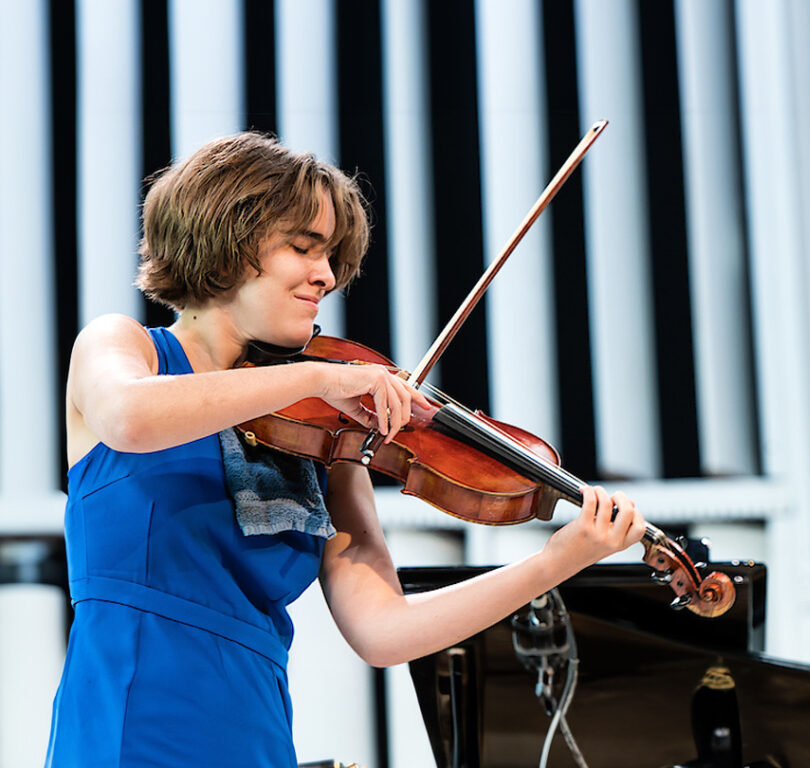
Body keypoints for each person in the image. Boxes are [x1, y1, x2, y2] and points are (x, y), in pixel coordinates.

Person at [45, 132, 645, 767]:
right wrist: (318, 376)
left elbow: (384, 633)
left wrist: (554, 564)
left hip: (254, 730)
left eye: (330, 255)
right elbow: (128, 417)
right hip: (127, 720)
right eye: (303, 249)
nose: (326, 276)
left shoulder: (323, 437)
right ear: (225, 242)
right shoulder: (125, 346)